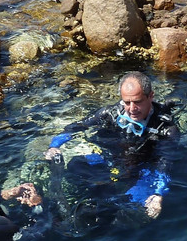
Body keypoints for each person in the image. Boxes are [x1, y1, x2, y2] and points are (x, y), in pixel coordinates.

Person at [44, 71, 179, 219]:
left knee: (135, 210)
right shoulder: (111, 113)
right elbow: (77, 126)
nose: (132, 109)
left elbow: (165, 163)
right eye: (127, 102)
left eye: (138, 101)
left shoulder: (165, 130)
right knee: (75, 166)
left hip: (141, 171)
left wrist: (158, 193)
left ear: (150, 96)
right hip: (108, 162)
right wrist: (55, 145)